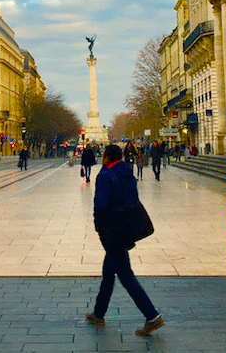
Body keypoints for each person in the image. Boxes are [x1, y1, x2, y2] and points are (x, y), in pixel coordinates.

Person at [86, 144, 163, 336]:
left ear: (106, 158)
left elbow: (100, 206)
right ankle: (98, 313)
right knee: (108, 272)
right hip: (126, 228)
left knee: (126, 275)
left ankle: (152, 316)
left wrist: (99, 227)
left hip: (113, 231)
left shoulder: (105, 176)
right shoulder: (127, 172)